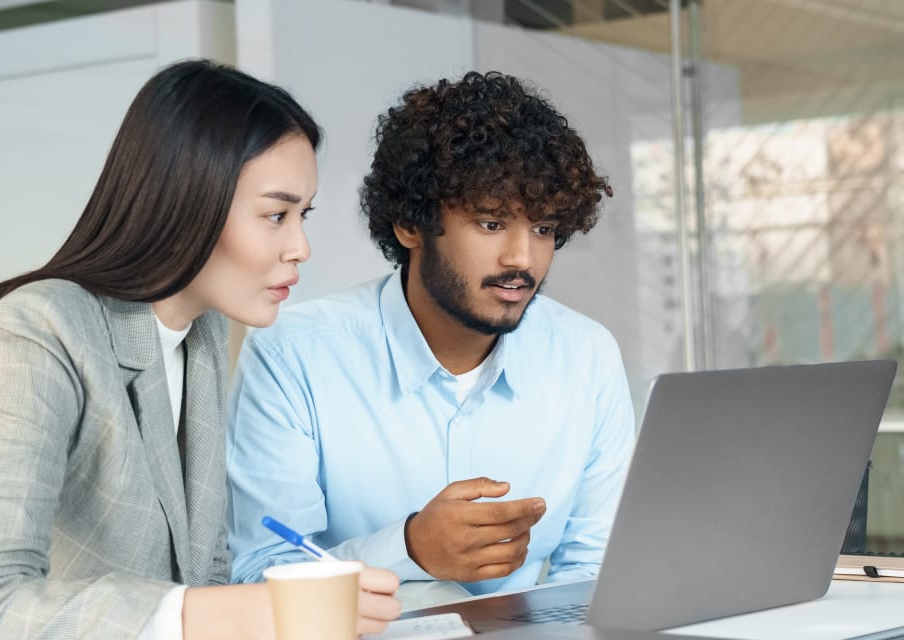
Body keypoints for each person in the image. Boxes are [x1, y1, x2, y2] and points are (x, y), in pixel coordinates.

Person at [0, 59, 399, 639]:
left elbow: (204, 574)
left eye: (302, 215)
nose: (301, 247)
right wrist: (233, 614)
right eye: (276, 215)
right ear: (189, 199)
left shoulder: (202, 336)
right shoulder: (40, 329)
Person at [226, 71, 636, 597]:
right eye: (491, 223)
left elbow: (596, 569)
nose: (523, 259)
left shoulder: (586, 356)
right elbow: (263, 572)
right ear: (410, 224)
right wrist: (409, 548)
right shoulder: (293, 355)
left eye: (544, 229)